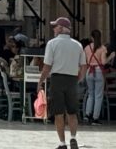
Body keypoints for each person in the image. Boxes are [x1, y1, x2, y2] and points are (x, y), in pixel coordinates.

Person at [38, 17, 86, 149]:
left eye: (55, 26)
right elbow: (83, 66)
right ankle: (73, 138)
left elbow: (47, 66)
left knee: (58, 113)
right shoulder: (78, 45)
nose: (53, 29)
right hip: (72, 80)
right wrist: (79, 79)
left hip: (57, 79)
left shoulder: (52, 44)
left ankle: (62, 143)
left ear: (61, 28)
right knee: (72, 112)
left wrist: (40, 81)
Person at [83, 29, 108, 125]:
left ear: (91, 37)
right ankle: (95, 118)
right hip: (98, 71)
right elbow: (104, 62)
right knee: (98, 95)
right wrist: (110, 57)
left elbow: (84, 61)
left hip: (89, 71)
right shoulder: (102, 48)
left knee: (90, 94)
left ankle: (87, 114)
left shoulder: (87, 48)